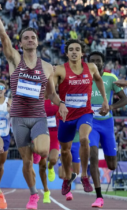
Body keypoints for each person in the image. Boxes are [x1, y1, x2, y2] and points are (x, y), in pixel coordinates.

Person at [0, 1, 68, 209]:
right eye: (26, 37)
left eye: (33, 37)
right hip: (18, 117)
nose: (30, 40)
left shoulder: (46, 67)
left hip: (38, 115)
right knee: (27, 161)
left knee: (43, 152)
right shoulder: (15, 59)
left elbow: (51, 94)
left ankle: (41, 152)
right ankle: (34, 194)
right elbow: (3, 37)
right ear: (21, 43)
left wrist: (60, 102)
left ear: (37, 42)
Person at [53, 39, 109, 196]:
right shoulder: (59, 70)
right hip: (66, 116)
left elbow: (98, 79)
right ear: (66, 53)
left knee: (85, 139)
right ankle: (66, 177)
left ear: (82, 53)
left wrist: (105, 99)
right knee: (65, 151)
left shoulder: (91, 67)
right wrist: (60, 102)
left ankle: (84, 175)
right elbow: (50, 91)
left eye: (77, 49)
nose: (74, 51)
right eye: (71, 49)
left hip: (84, 113)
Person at [88, 51, 127, 208]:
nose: (95, 63)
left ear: (103, 63)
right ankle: (99, 196)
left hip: (107, 123)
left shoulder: (111, 78)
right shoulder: (84, 78)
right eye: (92, 61)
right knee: (93, 155)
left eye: (98, 60)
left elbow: (125, 99)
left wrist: (110, 107)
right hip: (90, 123)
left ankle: (111, 155)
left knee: (111, 165)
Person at [38, 99, 60, 203]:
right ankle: (46, 191)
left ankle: (51, 167)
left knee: (53, 159)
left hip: (54, 135)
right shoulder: (38, 99)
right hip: (42, 134)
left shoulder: (57, 99)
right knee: (42, 165)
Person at [58, 132, 81, 201]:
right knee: (61, 174)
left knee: (76, 172)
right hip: (63, 143)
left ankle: (67, 186)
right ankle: (68, 190)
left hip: (76, 143)